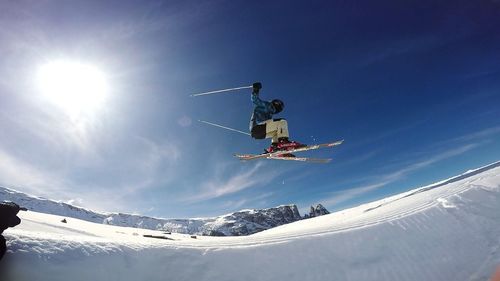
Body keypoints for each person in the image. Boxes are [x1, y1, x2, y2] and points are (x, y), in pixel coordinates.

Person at [249, 82, 305, 154]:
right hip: (257, 127)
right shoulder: (267, 105)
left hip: (258, 132)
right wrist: (256, 89)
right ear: (276, 104)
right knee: (282, 121)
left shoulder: (270, 114)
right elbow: (255, 100)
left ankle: (274, 147)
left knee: (277, 131)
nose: (277, 110)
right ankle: (283, 141)